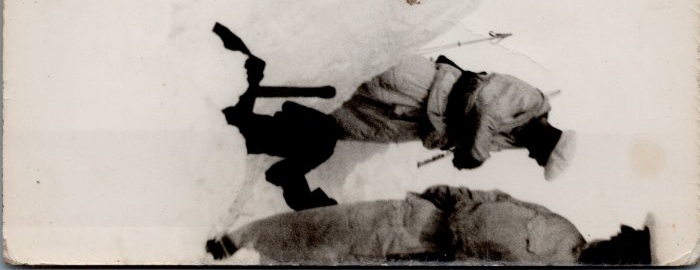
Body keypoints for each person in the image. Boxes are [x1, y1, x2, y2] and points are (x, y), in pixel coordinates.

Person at [215, 26, 575, 212]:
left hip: (411, 124)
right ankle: (239, 71)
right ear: (552, 140)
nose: (532, 157)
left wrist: (461, 147)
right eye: (540, 156)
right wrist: (474, 153)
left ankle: (245, 130)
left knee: (332, 122)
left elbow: (473, 132)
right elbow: (484, 105)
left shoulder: (518, 139)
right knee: (346, 74)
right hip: (420, 87)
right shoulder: (533, 101)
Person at [205, 186, 653, 264]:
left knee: (329, 257)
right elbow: (498, 199)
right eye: (619, 238)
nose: (610, 242)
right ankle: (237, 239)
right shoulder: (565, 227)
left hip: (421, 256)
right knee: (326, 225)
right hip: (421, 218)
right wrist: (443, 194)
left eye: (620, 252)